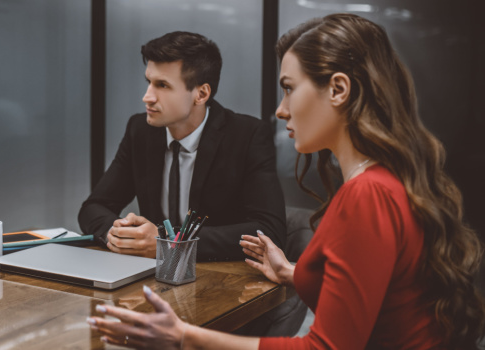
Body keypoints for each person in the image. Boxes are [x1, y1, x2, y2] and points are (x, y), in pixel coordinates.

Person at [87, 14, 485, 349]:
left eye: (289, 90)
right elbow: (370, 289)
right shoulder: (381, 181)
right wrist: (292, 272)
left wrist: (184, 335)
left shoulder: (367, 194)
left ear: (339, 90)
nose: (280, 111)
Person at [78, 31, 286, 261]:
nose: (147, 97)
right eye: (149, 82)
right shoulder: (140, 130)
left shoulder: (247, 136)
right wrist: (119, 234)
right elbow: (93, 208)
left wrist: (169, 243)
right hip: (150, 276)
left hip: (220, 280)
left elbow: (270, 230)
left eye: (163, 85)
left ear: (201, 93)